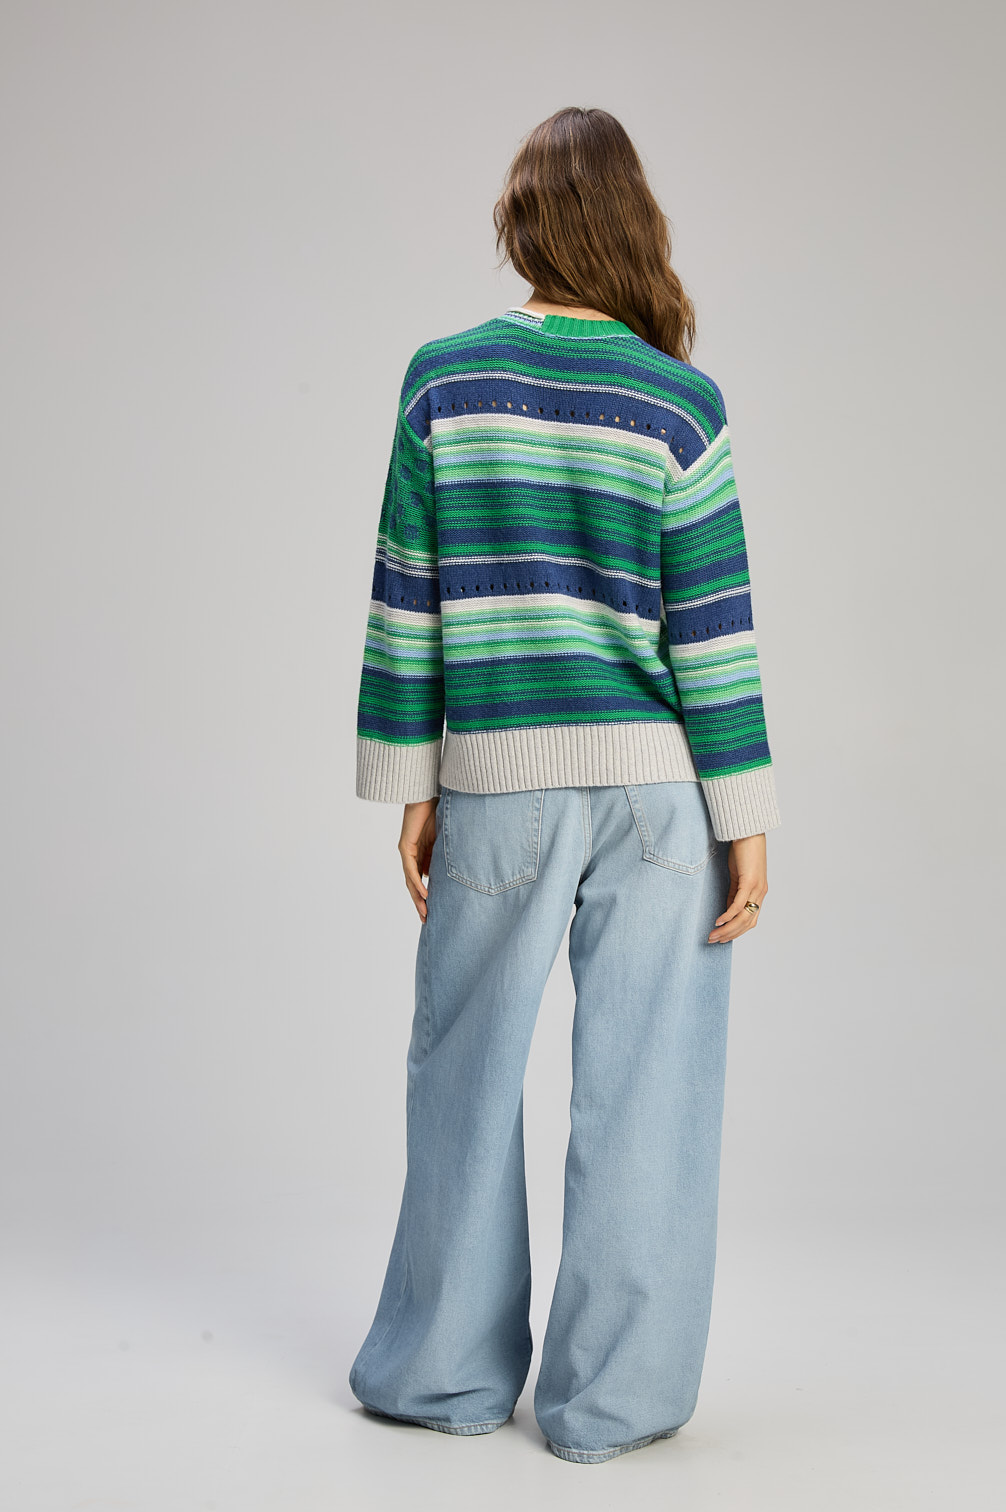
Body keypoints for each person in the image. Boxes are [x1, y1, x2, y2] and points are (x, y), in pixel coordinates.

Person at [347, 106, 781, 1465]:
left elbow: (407, 599)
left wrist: (416, 784)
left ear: (523, 225)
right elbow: (714, 631)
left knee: (462, 1074)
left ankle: (442, 1379)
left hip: (499, 786)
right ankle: (616, 1403)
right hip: (661, 799)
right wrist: (746, 818)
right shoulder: (680, 402)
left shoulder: (443, 382)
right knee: (650, 1093)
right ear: (632, 225)